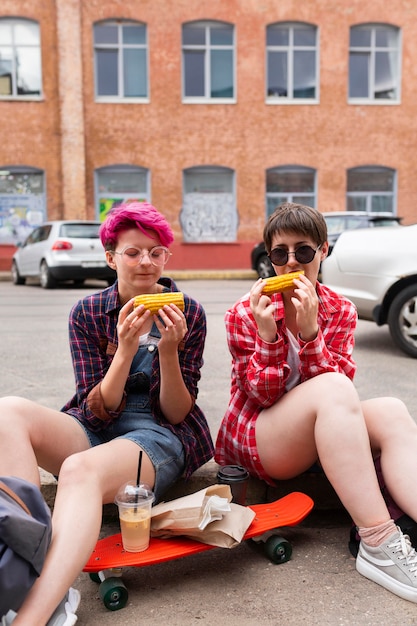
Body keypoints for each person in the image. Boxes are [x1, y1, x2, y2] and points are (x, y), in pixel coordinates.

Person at [0, 201, 214, 625]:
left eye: (156, 252)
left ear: (166, 257)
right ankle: (21, 565)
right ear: (111, 257)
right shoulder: (89, 313)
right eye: (133, 252)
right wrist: (126, 349)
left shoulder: (188, 312)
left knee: (80, 470)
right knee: (8, 411)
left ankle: (35, 614)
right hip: (97, 423)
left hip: (156, 435)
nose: (146, 262)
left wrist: (169, 350)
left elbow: (176, 412)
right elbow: (95, 411)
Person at [215, 202, 417, 603]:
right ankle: (378, 542)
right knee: (335, 387)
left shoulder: (340, 309)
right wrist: (271, 336)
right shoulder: (243, 312)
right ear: (268, 258)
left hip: (320, 431)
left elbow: (339, 388)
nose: (291, 263)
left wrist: (310, 331)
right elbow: (261, 395)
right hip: (260, 438)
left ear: (323, 251)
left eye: (303, 251)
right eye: (279, 254)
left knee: (391, 408)